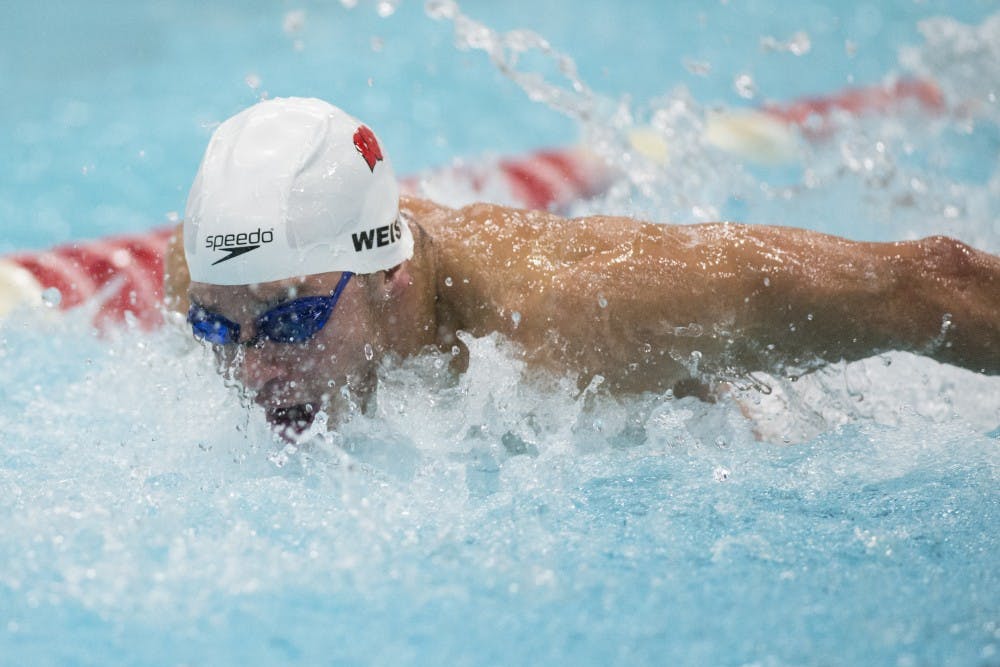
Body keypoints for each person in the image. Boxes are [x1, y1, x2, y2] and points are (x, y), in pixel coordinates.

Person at [164, 97, 1000, 436]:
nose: (253, 367)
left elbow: (933, 283)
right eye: (217, 328)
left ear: (392, 274)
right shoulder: (214, 272)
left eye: (292, 320)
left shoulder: (573, 312)